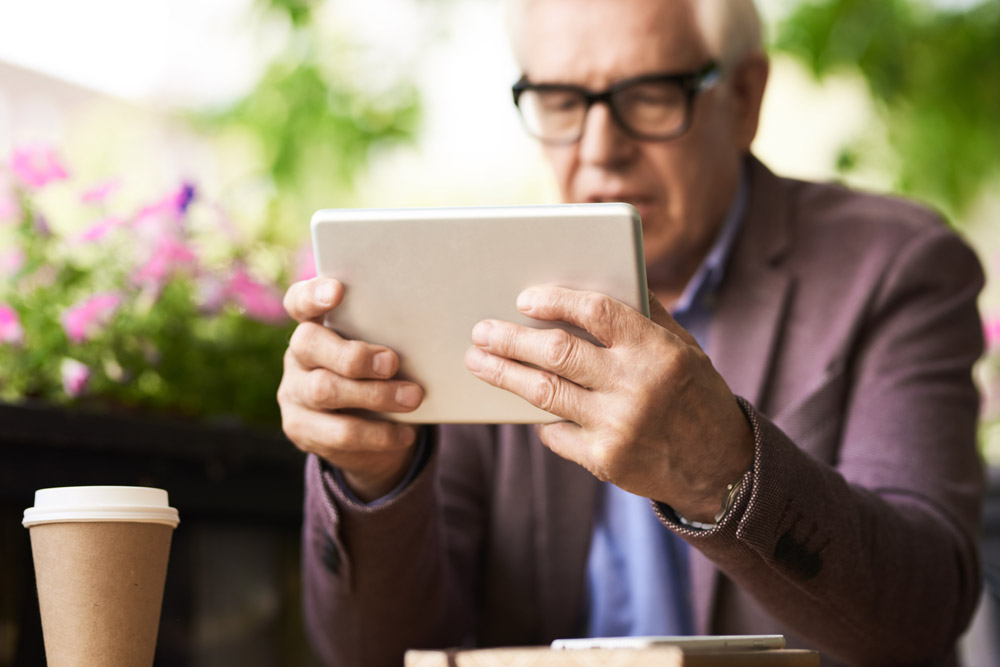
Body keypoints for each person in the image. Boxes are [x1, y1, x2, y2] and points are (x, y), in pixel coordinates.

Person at [277, 0, 986, 665]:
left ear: (744, 98)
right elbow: (377, 651)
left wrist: (724, 470)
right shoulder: (479, 281)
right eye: (560, 101)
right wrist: (372, 478)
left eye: (649, 95)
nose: (600, 148)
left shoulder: (894, 267)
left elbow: (923, 615)